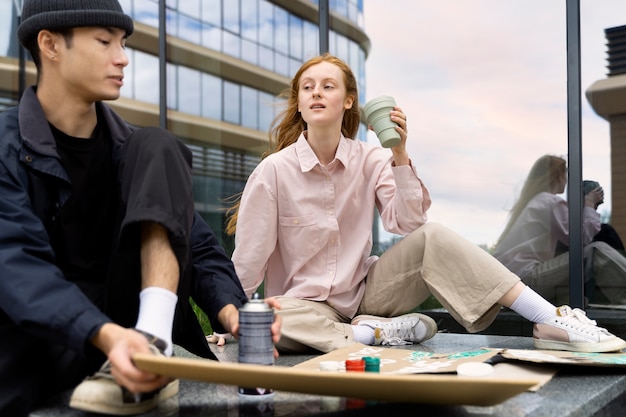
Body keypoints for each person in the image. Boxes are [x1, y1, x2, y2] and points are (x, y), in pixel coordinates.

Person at [223, 53, 625, 357]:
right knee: (268, 320)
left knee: (433, 235)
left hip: (367, 294)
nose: (316, 92)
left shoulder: (373, 158)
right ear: (299, 102)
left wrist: (399, 153)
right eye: (307, 87)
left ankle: (551, 319)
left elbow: (409, 223)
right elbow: (249, 260)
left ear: (348, 102)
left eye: (328, 86)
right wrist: (229, 321)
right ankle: (374, 334)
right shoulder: (274, 172)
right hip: (303, 307)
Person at [0, 1, 279, 416]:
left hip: (132, 333)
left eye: (123, 42)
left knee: (158, 143)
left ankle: (154, 342)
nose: (122, 57)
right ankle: (138, 352)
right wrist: (106, 335)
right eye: (104, 41)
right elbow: (16, 263)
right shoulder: (6, 148)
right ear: (50, 45)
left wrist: (232, 310)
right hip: (48, 345)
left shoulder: (136, 152)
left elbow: (197, 246)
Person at [493, 155, 626, 306]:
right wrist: (589, 203)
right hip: (526, 279)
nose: (568, 180)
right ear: (558, 176)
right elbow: (579, 238)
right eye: (566, 174)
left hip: (515, 283)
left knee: (572, 291)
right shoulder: (548, 201)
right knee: (596, 251)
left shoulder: (536, 202)